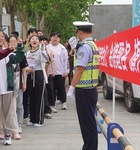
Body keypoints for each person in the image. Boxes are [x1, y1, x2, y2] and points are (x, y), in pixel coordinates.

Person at [67, 21, 99, 150]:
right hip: (91, 88)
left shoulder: (85, 47)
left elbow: (80, 69)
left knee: (87, 123)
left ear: (79, 32)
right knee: (89, 122)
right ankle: (89, 146)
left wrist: (71, 87)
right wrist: (75, 49)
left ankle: (89, 148)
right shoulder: (92, 45)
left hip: (84, 90)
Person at [0, 28, 24, 146]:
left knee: (9, 112)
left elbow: (18, 59)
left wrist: (19, 47)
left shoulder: (9, 53)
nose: (0, 38)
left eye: (2, 36)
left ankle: (8, 134)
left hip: (8, 87)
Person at [26, 35, 49, 127]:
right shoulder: (27, 53)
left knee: (39, 97)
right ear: (29, 42)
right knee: (32, 97)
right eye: (32, 39)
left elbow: (46, 59)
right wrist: (27, 69)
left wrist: (43, 49)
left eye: (36, 39)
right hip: (30, 75)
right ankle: (32, 118)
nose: (34, 40)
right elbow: (24, 64)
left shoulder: (41, 51)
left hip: (39, 74)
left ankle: (39, 120)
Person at [8, 35, 28, 139]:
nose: (12, 43)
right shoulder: (5, 54)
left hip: (18, 83)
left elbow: (24, 69)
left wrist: (24, 82)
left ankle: (19, 125)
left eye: (14, 41)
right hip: (8, 85)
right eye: (10, 41)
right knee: (11, 107)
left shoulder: (21, 54)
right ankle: (11, 126)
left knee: (19, 105)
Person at [47, 32, 69, 110]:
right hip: (49, 72)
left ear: (59, 39)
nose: (55, 38)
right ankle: (52, 104)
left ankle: (64, 102)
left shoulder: (62, 48)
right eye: (53, 36)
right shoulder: (47, 47)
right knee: (51, 88)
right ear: (50, 38)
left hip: (60, 71)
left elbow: (65, 61)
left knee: (61, 87)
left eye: (57, 37)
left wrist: (65, 71)